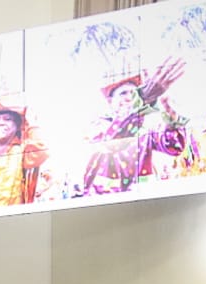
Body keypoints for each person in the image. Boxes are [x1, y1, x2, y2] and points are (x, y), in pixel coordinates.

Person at [82, 59, 192, 195]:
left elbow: (174, 148)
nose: (129, 98)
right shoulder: (98, 124)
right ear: (110, 101)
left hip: (143, 201)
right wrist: (142, 99)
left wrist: (172, 121)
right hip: (104, 200)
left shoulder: (144, 127)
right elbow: (111, 142)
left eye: (133, 93)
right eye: (123, 93)